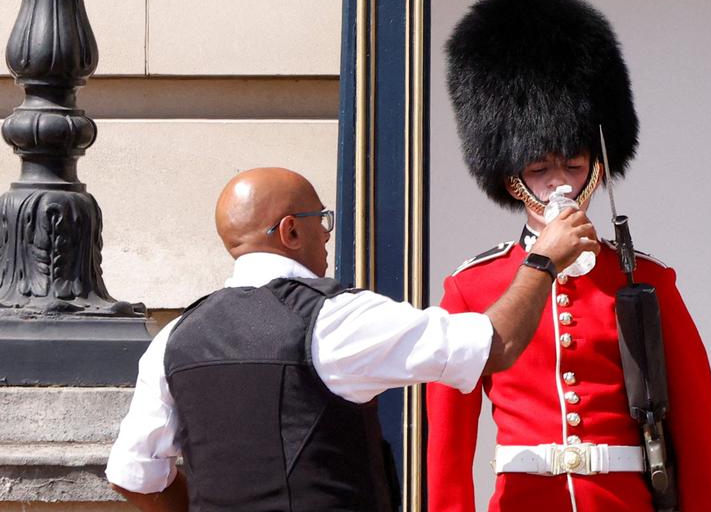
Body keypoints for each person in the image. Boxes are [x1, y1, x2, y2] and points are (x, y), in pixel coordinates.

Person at [105, 167, 599, 512]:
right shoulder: (334, 319)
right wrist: (543, 261)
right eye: (323, 221)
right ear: (290, 231)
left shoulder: (174, 338)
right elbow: (496, 345)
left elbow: (134, 477)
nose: (328, 238)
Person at [426, 0, 711, 512]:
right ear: (512, 177)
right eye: (539, 168)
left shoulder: (648, 282)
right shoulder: (471, 288)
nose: (558, 182)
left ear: (596, 169)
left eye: (573, 164)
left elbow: (699, 432)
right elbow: (448, 450)